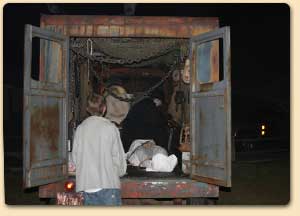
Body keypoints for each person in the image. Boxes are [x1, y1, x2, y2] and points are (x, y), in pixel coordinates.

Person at [71, 93, 127, 205]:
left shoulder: (80, 129)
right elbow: (119, 158)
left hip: (86, 187)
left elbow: (75, 159)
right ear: (104, 109)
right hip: (108, 185)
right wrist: (119, 172)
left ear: (88, 109)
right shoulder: (111, 128)